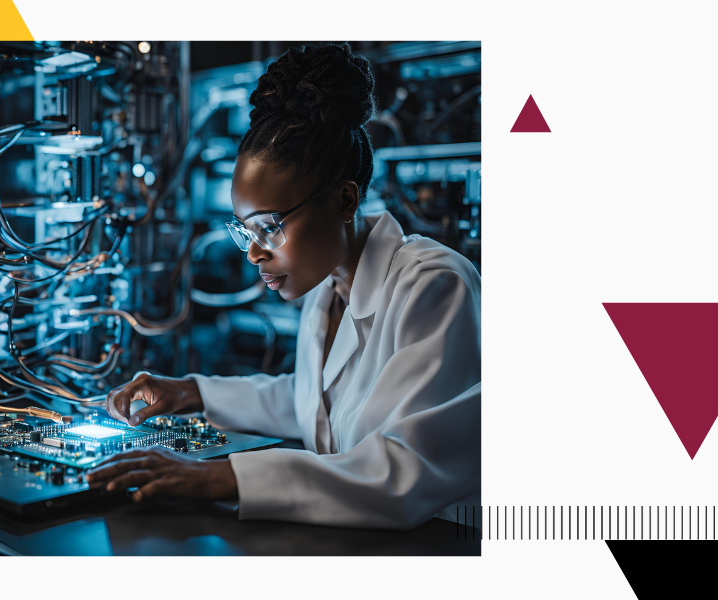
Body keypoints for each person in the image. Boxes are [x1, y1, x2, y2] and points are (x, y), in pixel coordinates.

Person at [86, 43, 481, 529]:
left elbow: (404, 472)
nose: (253, 252)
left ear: (343, 200)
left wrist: (222, 478)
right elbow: (314, 406)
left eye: (269, 225)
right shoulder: (327, 286)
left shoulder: (434, 285)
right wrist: (193, 393)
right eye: (245, 231)